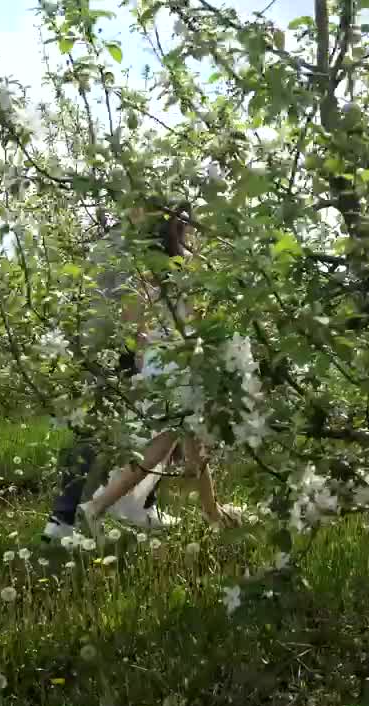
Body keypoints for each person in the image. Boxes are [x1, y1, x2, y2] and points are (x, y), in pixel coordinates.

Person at [74, 201, 241, 535]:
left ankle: (212, 514)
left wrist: (145, 361)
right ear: (180, 228)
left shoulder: (143, 269)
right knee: (160, 447)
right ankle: (95, 508)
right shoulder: (188, 266)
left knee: (192, 443)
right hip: (181, 361)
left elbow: (133, 324)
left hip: (156, 361)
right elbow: (198, 318)